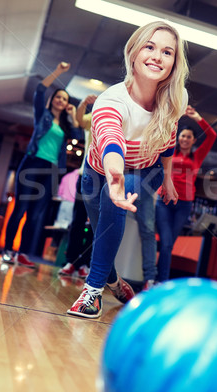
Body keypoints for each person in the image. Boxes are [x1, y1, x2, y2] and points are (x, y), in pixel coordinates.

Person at [67, 20, 189, 319]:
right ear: (133, 52)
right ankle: (112, 281)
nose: (157, 56)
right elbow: (111, 145)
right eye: (150, 46)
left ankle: (92, 292)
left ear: (174, 64)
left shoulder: (176, 98)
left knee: (114, 205)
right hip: (99, 174)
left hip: (146, 172)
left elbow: (169, 140)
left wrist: (169, 178)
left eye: (167, 52)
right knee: (101, 236)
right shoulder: (111, 101)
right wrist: (116, 178)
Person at [2, 62, 79, 267]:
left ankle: (23, 254)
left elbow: (79, 133)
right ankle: (8, 250)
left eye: (65, 99)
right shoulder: (42, 115)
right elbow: (39, 90)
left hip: (51, 170)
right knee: (21, 209)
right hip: (32, 163)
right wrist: (58, 71)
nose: (61, 101)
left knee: (36, 215)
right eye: (58, 97)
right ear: (53, 100)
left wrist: (72, 115)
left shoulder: (64, 125)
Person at [154, 106, 217, 284]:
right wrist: (175, 117)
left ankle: (159, 280)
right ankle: (161, 281)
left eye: (189, 137)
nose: (185, 139)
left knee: (168, 245)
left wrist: (198, 117)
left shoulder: (197, 157)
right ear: (178, 138)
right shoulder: (170, 152)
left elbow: (212, 136)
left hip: (184, 205)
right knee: (166, 243)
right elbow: (164, 130)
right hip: (165, 201)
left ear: (193, 140)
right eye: (183, 136)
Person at [58, 94, 97, 280]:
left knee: (95, 224)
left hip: (104, 179)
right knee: (78, 220)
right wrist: (83, 103)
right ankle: (71, 262)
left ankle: (86, 264)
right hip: (85, 175)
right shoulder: (94, 117)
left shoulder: (118, 123)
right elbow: (80, 120)